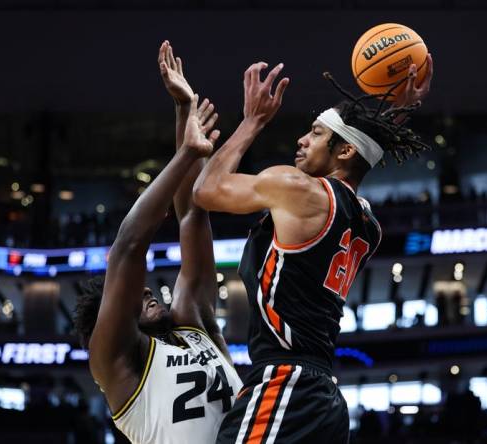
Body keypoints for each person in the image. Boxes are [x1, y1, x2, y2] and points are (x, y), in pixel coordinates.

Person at [194, 56, 433, 443]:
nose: (302, 140)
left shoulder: (299, 189)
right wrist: (401, 110)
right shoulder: (368, 223)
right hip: (321, 398)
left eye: (317, 133)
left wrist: (253, 120)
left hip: (285, 386)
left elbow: (205, 190)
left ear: (344, 152)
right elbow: (366, 146)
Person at [73, 41, 241, 444]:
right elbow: (130, 244)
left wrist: (185, 113)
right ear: (111, 318)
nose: (147, 291)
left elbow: (192, 215)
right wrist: (184, 156)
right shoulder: (115, 360)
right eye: (134, 297)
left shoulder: (195, 323)